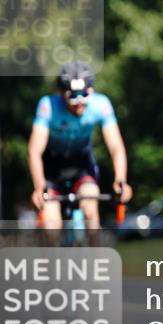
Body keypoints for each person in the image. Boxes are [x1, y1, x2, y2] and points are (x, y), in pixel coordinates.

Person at [28, 61, 133, 230]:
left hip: (81, 164)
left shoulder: (101, 105)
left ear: (91, 91)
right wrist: (39, 186)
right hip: (52, 167)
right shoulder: (48, 106)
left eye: (84, 94)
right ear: (61, 94)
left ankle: (94, 254)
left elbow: (116, 147)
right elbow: (34, 150)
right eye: (73, 96)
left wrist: (121, 181)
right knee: (51, 226)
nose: (79, 102)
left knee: (90, 206)